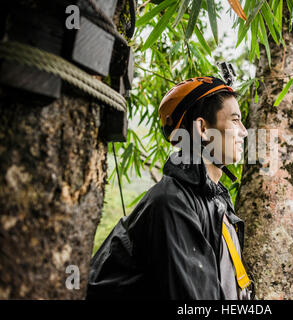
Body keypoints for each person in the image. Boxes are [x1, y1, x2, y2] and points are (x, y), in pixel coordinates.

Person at [87, 76, 251, 300]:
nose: (244, 131)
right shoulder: (171, 202)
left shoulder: (217, 199)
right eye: (235, 120)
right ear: (203, 128)